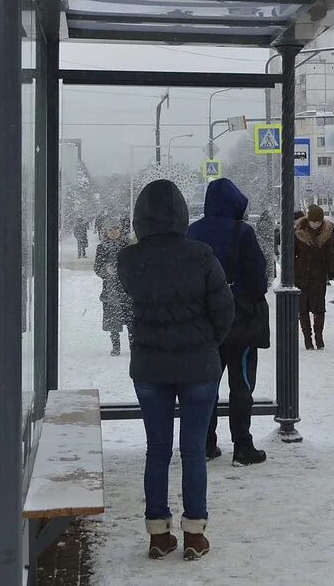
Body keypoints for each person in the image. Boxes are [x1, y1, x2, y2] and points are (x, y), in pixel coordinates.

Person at [117, 180, 234, 561]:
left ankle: (157, 533)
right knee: (193, 450)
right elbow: (223, 309)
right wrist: (207, 342)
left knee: (157, 450)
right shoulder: (201, 255)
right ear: (182, 214)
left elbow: (130, 304)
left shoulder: (130, 259)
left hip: (150, 367)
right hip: (199, 366)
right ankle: (195, 535)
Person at [188, 178, 269, 466]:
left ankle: (206, 443)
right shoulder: (242, 232)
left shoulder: (192, 232)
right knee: (241, 384)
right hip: (240, 322)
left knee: (206, 383)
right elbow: (259, 278)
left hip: (204, 324)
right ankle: (242, 446)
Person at [295, 205, 334, 350]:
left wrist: (332, 273)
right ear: (308, 220)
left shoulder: (327, 233)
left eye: (318, 222)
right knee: (303, 308)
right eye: (314, 222)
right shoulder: (298, 232)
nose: (316, 224)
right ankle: (308, 338)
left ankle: (319, 337)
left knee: (319, 308)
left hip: (319, 276)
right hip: (301, 275)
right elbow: (291, 254)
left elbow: (330, 255)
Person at [94, 218, 133, 356]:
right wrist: (106, 271)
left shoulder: (128, 246)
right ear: (106, 231)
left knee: (131, 321)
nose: (114, 232)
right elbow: (97, 267)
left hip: (127, 290)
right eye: (110, 229)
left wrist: (125, 271)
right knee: (113, 322)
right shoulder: (102, 247)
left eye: (116, 229)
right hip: (110, 291)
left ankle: (133, 346)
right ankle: (115, 346)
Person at [256, 209, 276, 282]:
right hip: (269, 243)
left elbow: (258, 233)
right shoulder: (269, 223)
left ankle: (265, 276)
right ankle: (270, 277)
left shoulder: (259, 223)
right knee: (269, 261)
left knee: (263, 260)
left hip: (262, 243)